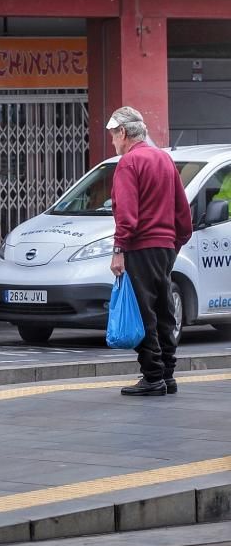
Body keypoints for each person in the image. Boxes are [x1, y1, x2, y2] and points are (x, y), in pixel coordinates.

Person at [108, 106, 192, 396]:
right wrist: (173, 245)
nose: (112, 142)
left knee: (143, 313)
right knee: (164, 312)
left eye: (113, 135)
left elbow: (127, 215)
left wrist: (119, 248)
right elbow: (183, 214)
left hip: (139, 247)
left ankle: (153, 376)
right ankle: (167, 375)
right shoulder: (164, 159)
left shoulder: (129, 163)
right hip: (165, 247)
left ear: (123, 132)